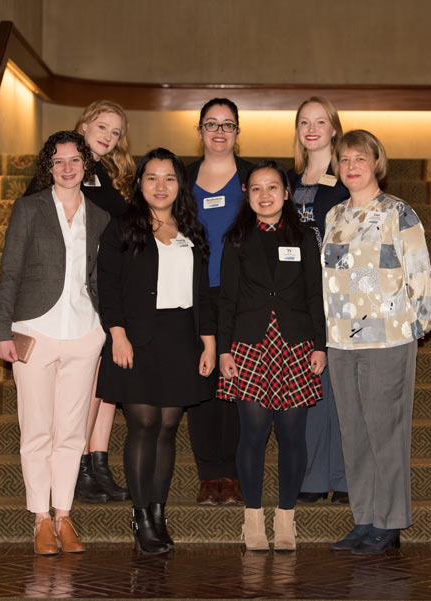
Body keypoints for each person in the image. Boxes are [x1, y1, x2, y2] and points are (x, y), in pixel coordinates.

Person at [0, 131, 111, 555]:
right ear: (49, 166)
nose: (67, 167)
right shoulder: (29, 208)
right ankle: (40, 519)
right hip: (34, 332)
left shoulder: (100, 217)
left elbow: (102, 279)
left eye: (74, 159)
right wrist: (1, 331)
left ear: (85, 164)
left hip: (84, 334)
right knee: (37, 430)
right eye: (58, 160)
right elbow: (9, 273)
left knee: (72, 433)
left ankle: (64, 515)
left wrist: (107, 329)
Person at [96, 147, 216, 555]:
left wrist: (209, 342)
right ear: (139, 183)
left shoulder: (191, 228)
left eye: (169, 178)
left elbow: (204, 293)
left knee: (167, 429)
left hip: (181, 338)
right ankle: (141, 516)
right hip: (136, 338)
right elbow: (107, 285)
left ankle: (159, 513)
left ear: (179, 184)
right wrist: (118, 334)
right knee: (143, 426)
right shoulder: (122, 227)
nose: (160, 186)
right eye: (152, 177)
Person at [322, 130, 431, 555]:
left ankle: (390, 524)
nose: (351, 166)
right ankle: (365, 518)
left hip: (388, 336)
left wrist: (421, 322)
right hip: (341, 339)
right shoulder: (334, 216)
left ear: (376, 164)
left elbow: (418, 268)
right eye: (344, 159)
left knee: (386, 432)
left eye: (360, 159)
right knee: (354, 434)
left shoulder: (397, 213)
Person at [23, 100, 135, 504]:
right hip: (70, 294)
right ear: (84, 125)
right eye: (102, 127)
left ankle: (98, 463)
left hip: (107, 287)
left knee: (105, 384)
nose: (108, 136)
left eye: (116, 132)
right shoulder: (57, 172)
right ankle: (81, 466)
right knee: (86, 388)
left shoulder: (109, 175)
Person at [216, 161, 326, 551]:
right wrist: (224, 349)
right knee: (253, 435)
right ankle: (252, 521)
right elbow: (226, 299)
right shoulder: (237, 238)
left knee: (293, 435)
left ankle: (285, 520)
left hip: (296, 344)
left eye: (273, 187)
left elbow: (315, 294)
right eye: (257, 188)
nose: (265, 195)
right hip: (250, 344)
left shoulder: (304, 237)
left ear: (285, 193)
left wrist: (320, 345)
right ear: (248, 194)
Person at [185, 98, 253, 505]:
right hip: (193, 294)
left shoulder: (252, 176)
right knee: (203, 382)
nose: (219, 131)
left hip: (240, 295)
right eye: (211, 124)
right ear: (199, 131)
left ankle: (233, 473)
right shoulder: (183, 176)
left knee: (236, 380)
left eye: (228, 125)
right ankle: (209, 475)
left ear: (238, 133)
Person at [287, 96, 350, 505]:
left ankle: (343, 477)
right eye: (304, 122)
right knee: (311, 385)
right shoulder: (286, 178)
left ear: (333, 129)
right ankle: (312, 476)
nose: (312, 129)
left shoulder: (346, 174)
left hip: (339, 293)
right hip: (298, 294)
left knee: (341, 388)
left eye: (320, 122)